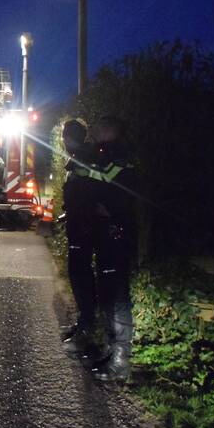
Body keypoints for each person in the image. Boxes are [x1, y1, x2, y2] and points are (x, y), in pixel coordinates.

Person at [85, 116, 137, 382]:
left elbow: (114, 186)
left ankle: (121, 361)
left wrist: (109, 212)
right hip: (106, 233)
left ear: (108, 131)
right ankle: (111, 350)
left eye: (96, 129)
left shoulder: (117, 156)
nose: (92, 134)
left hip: (116, 233)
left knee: (116, 297)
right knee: (107, 294)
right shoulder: (107, 154)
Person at [59, 119, 98, 352]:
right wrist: (67, 213)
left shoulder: (82, 158)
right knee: (79, 275)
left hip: (83, 227)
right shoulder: (79, 157)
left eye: (65, 136)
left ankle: (87, 328)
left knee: (81, 275)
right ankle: (85, 322)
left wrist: (78, 215)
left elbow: (87, 194)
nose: (63, 141)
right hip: (80, 224)